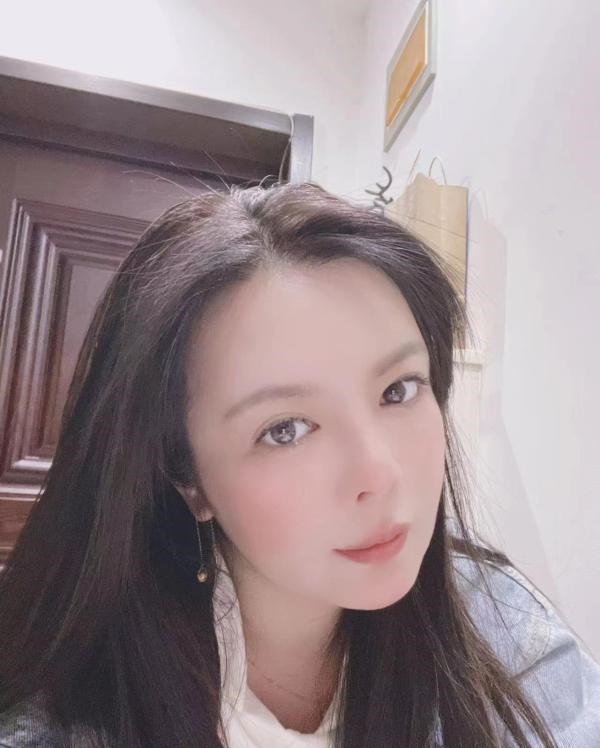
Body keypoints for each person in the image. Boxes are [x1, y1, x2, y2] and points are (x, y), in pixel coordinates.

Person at [0, 182, 598, 748]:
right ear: (188, 479)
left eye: (398, 390)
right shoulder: (73, 712)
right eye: (285, 430)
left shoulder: (502, 628)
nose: (379, 474)